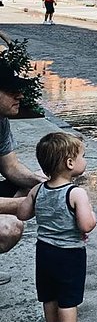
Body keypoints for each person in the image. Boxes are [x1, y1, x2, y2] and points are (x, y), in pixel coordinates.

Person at [16, 132, 97, 322]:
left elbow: (22, 214)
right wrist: (92, 214)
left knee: (49, 294)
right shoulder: (76, 193)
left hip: (44, 251)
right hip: (69, 255)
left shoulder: (38, 189)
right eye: (82, 156)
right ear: (70, 163)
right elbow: (86, 225)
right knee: (68, 298)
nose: (84, 160)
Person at [0, 65, 47, 280]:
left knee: (40, 183)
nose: (20, 95)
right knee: (8, 229)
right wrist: (28, 203)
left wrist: (43, 183)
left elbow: (10, 167)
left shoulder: (1, 121)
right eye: (12, 91)